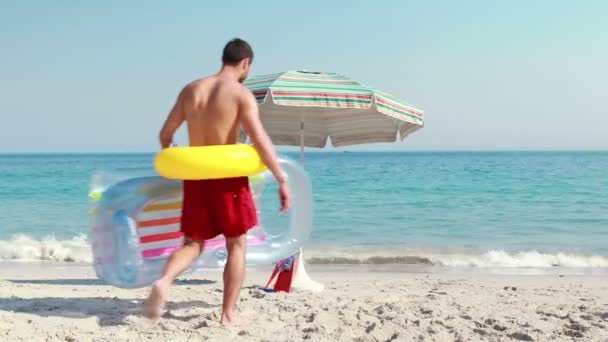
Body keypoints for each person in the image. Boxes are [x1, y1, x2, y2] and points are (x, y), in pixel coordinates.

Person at [143, 38, 291, 324]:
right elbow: (260, 141)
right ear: (246, 63)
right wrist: (281, 179)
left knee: (192, 243)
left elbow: (166, 134)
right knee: (236, 244)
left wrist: (175, 159)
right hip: (228, 179)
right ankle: (227, 313)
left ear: (224, 58)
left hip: (197, 177)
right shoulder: (239, 94)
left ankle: (164, 281)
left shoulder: (191, 90)